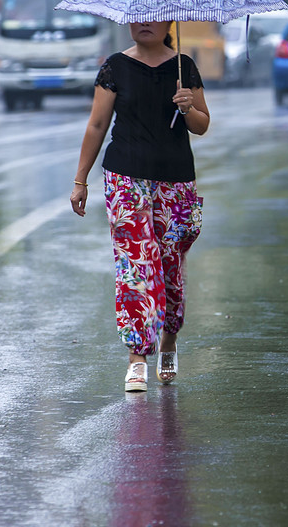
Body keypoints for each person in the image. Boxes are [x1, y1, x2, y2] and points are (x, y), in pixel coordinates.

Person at [71, 20, 210, 390]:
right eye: (137, 16)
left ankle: (168, 337)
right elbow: (97, 125)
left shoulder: (184, 67)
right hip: (125, 177)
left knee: (168, 266)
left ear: (168, 22)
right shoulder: (115, 68)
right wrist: (81, 179)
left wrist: (187, 107)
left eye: (152, 16)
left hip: (175, 179)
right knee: (136, 263)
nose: (143, 23)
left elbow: (202, 125)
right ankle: (137, 357)